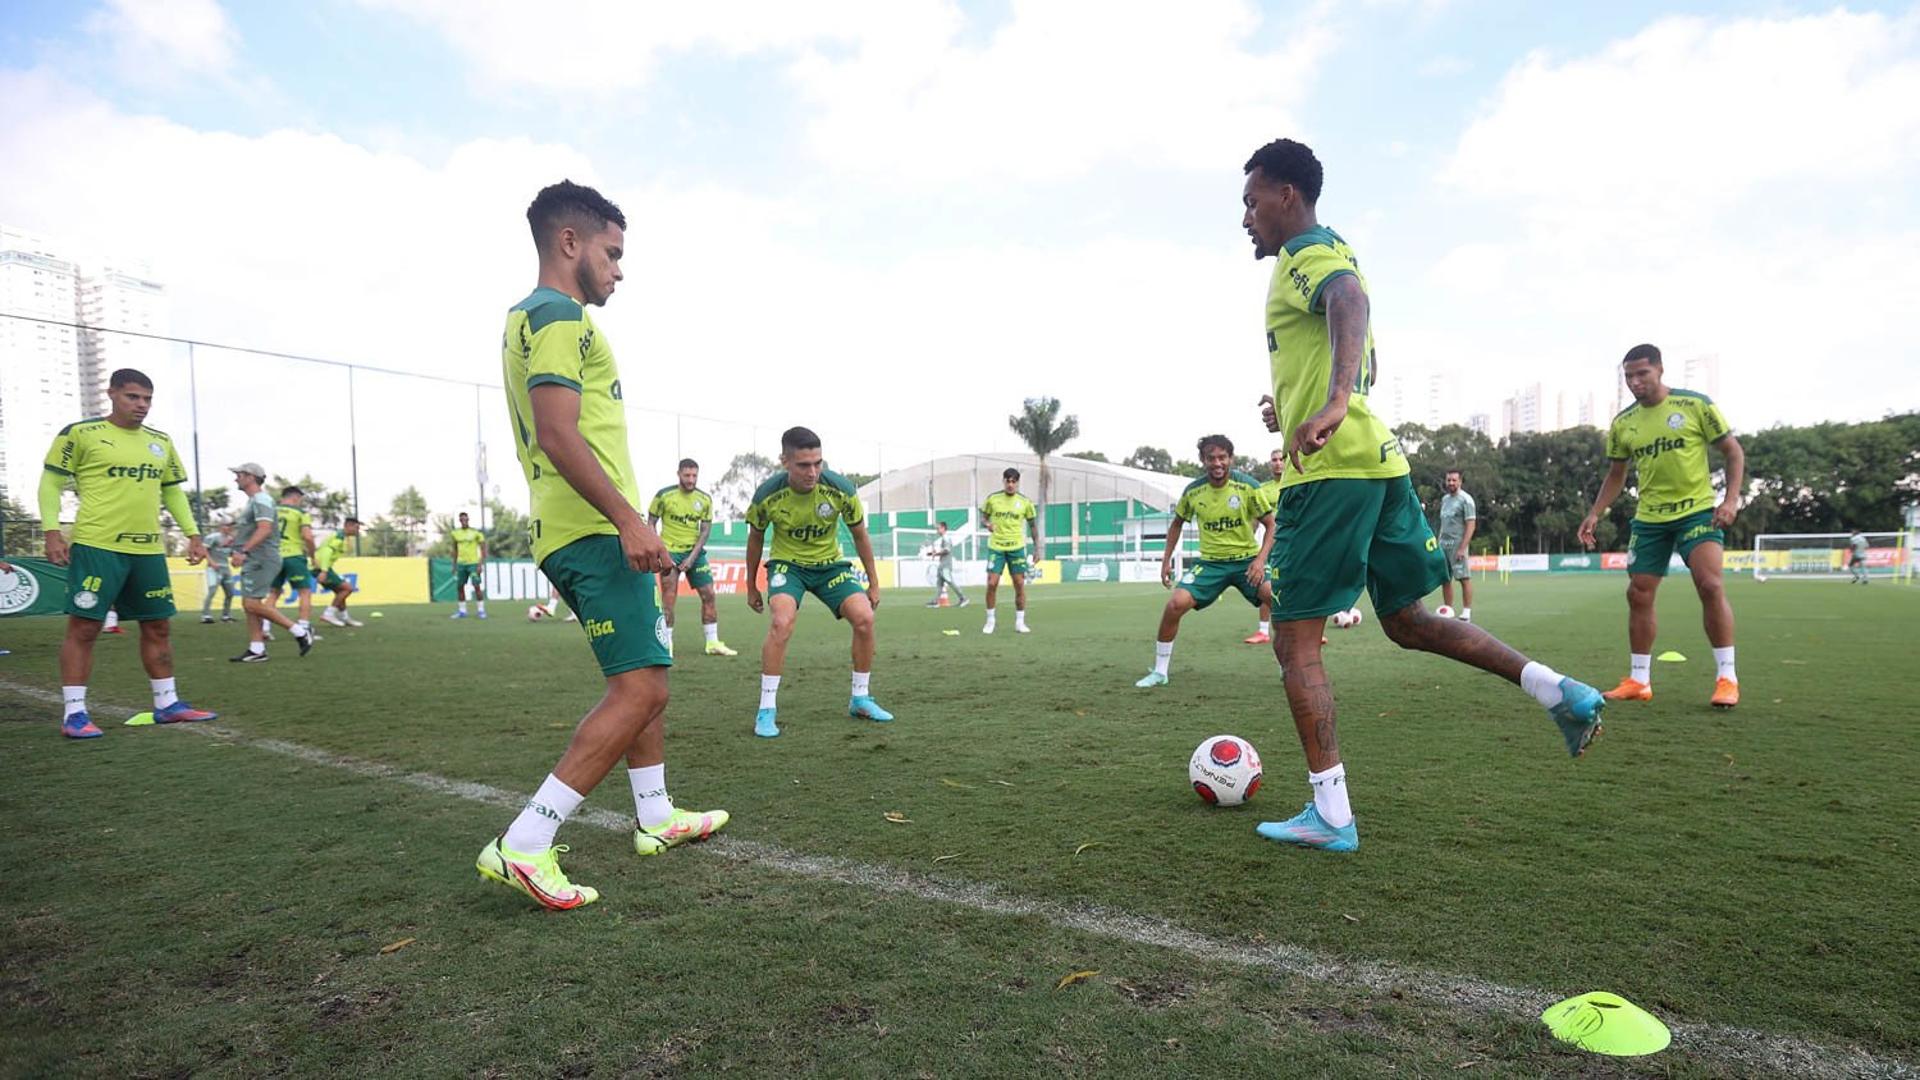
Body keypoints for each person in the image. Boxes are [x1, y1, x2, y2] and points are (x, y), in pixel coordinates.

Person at [1241, 138, 1604, 853]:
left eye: (1252, 202)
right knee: (1406, 620)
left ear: (1288, 194)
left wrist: (1335, 400)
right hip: (1378, 462)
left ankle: (1332, 815)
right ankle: (1555, 689)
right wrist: (1301, 404)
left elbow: (1350, 301)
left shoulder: (1306, 252)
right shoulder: (1336, 247)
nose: (1246, 218)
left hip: (1333, 472)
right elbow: (1343, 323)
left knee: (1294, 641)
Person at [476, 180, 727, 912]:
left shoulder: (525, 319)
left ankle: (655, 816)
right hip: (589, 528)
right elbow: (557, 433)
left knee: (647, 673)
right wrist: (627, 518)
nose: (619, 269)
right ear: (570, 243)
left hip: (577, 526)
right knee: (643, 687)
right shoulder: (560, 318)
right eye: (612, 254)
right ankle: (525, 843)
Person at [35, 368, 219, 737]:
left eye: (148, 399)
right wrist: (52, 531)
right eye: (133, 397)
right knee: (85, 628)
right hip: (97, 545)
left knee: (158, 625)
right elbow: (51, 482)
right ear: (112, 394)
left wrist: (193, 534)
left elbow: (172, 492)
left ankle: (167, 704)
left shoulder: (160, 441)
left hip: (148, 549)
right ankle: (74, 714)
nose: (142, 405)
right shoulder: (81, 433)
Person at [1579, 343, 1745, 708]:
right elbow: (1616, 474)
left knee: (1710, 584)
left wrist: (1730, 500)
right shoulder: (1624, 423)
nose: (1635, 382)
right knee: (1638, 593)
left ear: (1660, 370)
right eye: (1629, 377)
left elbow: (1733, 451)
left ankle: (1726, 678)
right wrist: (1595, 512)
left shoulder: (1694, 405)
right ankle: (1639, 680)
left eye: (1642, 374)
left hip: (1698, 511)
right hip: (1651, 518)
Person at [744, 425, 890, 738]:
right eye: (803, 465)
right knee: (782, 623)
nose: (813, 472)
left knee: (865, 618)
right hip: (788, 565)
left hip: (830, 566)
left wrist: (874, 583)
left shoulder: (840, 489)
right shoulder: (767, 495)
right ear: (785, 461)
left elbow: (860, 534)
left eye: (818, 463)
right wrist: (751, 584)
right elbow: (755, 538)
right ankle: (766, 710)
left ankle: (860, 699)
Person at [1135, 435, 1275, 688]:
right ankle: (1160, 671)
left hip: (1246, 562)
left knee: (1279, 600)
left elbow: (1271, 523)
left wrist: (1260, 560)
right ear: (1202, 460)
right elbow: (1176, 524)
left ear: (1231, 459)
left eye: (1222, 457)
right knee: (1174, 605)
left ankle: (1290, 668)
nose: (1217, 463)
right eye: (1211, 458)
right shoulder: (1193, 491)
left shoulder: (1248, 486)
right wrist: (1166, 560)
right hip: (1210, 564)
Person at [647, 459, 735, 656]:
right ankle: (666, 645)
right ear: (678, 474)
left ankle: (712, 643)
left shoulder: (704, 499)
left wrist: (692, 558)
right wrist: (659, 549)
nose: (691, 479)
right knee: (669, 598)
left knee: (709, 594)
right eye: (687, 475)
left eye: (694, 475)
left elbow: (705, 530)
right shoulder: (664, 496)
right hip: (669, 552)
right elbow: (651, 522)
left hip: (694, 553)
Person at [228, 464, 314, 662]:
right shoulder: (256, 501)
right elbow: (257, 529)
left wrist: (243, 550)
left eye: (239, 475)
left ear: (251, 477)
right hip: (257, 557)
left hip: (262, 558)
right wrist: (236, 543)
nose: (236, 479)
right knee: (249, 604)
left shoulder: (261, 500)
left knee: (252, 603)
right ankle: (257, 649)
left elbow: (265, 529)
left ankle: (300, 632)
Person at [979, 467, 1037, 634]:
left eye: (1014, 481)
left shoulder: (1025, 502)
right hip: (996, 547)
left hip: (1016, 548)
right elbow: (983, 517)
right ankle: (990, 621)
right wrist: (987, 524)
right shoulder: (993, 499)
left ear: (1017, 483)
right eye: (1008, 481)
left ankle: (1020, 622)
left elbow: (1032, 525)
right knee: (992, 583)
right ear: (1003, 481)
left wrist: (1037, 548)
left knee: (1019, 584)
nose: (1010, 484)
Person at [1247, 447, 1286, 644]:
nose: (1278, 462)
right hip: (1271, 546)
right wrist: (1250, 543)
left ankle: (1308, 629)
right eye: (1274, 460)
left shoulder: (1298, 483)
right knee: (1267, 584)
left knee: (1301, 586)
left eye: (1281, 459)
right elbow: (1255, 518)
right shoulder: (1262, 489)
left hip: (1295, 544)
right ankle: (1263, 631)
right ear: (1270, 464)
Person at [270, 486, 317, 640]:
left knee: (274, 592)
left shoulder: (271, 511)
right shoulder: (300, 513)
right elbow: (308, 537)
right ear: (296, 497)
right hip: (294, 556)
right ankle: (304, 628)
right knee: (304, 591)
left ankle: (264, 627)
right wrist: (313, 556)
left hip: (274, 556)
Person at [1437, 470, 1477, 621]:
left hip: (1458, 545)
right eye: (1449, 480)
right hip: (1443, 545)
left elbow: (1471, 525)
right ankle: (1448, 611)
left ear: (1460, 482)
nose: (1451, 483)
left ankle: (1466, 613)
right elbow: (1444, 524)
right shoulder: (1445, 499)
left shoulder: (1466, 500)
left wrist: (1462, 548)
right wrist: (1438, 540)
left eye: (1454, 480)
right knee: (1445, 579)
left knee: (1463, 578)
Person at [315, 517, 364, 627]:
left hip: (322, 566)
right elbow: (327, 552)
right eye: (356, 527)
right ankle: (328, 614)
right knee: (348, 588)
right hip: (319, 567)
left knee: (340, 591)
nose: (358, 530)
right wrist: (324, 571)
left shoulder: (341, 537)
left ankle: (345, 618)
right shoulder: (339, 537)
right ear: (348, 526)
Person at [448, 511, 488, 619]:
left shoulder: (476, 533)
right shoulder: (455, 533)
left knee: (476, 586)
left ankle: (481, 610)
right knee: (460, 587)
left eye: (465, 519)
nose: (464, 521)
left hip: (473, 564)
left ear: (468, 519)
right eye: (462, 519)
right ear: (460, 521)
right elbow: (454, 550)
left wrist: (480, 564)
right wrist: (454, 565)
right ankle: (462, 611)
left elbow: (483, 548)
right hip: (461, 564)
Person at [199, 522, 240, 623]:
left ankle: (226, 616)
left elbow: (232, 553)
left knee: (230, 593)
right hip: (213, 569)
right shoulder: (213, 537)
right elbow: (204, 550)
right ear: (221, 527)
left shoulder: (231, 540)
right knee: (212, 591)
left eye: (230, 526)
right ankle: (206, 615)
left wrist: (235, 559)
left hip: (225, 569)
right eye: (226, 526)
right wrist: (211, 562)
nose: (228, 528)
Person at [924, 521, 968, 607]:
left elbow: (947, 550)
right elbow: (944, 550)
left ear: (943, 528)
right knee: (939, 583)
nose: (937, 530)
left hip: (945, 565)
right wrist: (934, 553)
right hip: (942, 564)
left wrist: (936, 554)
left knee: (950, 582)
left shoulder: (946, 538)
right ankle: (936, 601)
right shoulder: (944, 538)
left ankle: (963, 598)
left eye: (938, 528)